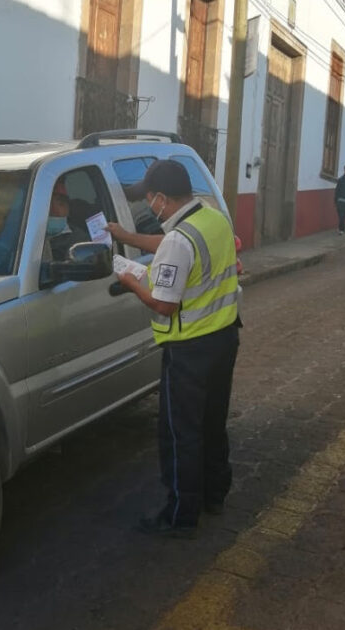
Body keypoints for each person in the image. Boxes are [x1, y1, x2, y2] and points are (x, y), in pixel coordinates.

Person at [112, 160, 240, 538]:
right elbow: (171, 245)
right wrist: (128, 236)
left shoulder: (178, 241)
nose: (150, 206)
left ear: (163, 199)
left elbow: (164, 304)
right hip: (224, 337)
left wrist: (131, 280)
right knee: (212, 423)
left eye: (150, 199)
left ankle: (180, 514)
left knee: (180, 431)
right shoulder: (213, 219)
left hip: (189, 350)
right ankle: (215, 495)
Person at [44, 178, 89, 261]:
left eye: (60, 204)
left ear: (68, 209)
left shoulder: (79, 241)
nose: (54, 211)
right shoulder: (25, 235)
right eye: (48, 205)